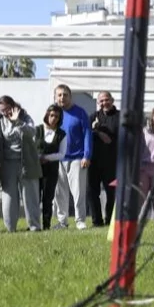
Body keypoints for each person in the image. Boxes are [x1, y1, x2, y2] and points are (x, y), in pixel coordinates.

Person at [0, 95, 42, 232]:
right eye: (2, 111)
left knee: (30, 197)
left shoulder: (24, 116)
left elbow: (32, 132)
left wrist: (18, 121)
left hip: (27, 162)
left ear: (13, 106)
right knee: (9, 197)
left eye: (7, 109)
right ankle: (10, 228)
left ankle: (35, 227)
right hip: (8, 163)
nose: (5, 113)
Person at [52, 84, 92, 230]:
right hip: (57, 158)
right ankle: (62, 222)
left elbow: (88, 134)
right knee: (59, 193)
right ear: (56, 97)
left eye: (65, 94)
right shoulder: (53, 113)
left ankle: (80, 220)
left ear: (70, 96)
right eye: (59, 95)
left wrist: (86, 155)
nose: (62, 97)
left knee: (78, 191)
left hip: (77, 158)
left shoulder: (80, 113)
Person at [88, 91, 119, 227]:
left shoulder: (120, 117)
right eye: (101, 101)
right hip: (93, 162)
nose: (104, 103)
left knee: (111, 194)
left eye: (106, 100)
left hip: (112, 162)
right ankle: (97, 221)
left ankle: (109, 220)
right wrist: (97, 131)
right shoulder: (93, 117)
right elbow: (86, 133)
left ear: (112, 100)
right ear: (97, 103)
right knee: (92, 192)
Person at [36, 104, 67, 231]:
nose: (53, 118)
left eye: (56, 116)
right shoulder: (37, 129)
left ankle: (46, 225)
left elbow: (62, 154)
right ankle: (34, 224)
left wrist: (46, 158)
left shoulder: (61, 134)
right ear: (47, 115)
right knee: (35, 198)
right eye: (51, 115)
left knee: (48, 198)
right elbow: (31, 147)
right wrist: (38, 157)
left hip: (52, 170)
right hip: (36, 169)